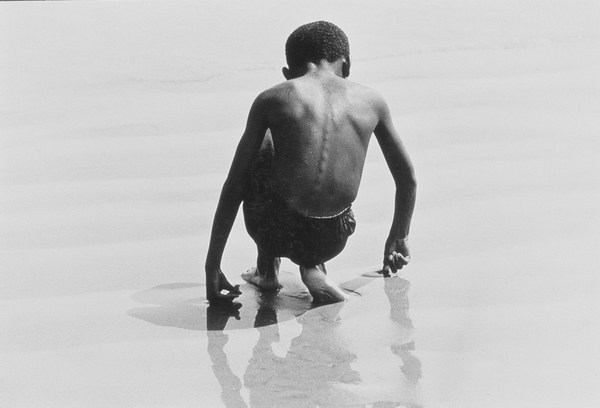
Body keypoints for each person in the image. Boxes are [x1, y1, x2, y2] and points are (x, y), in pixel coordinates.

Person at [205, 21, 416, 304]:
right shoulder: (372, 101)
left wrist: (213, 264)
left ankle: (267, 270)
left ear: (287, 74)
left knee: (265, 141)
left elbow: (235, 185)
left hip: (275, 232)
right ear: (347, 65)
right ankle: (313, 266)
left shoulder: (273, 98)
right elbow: (407, 178)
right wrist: (398, 237)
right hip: (333, 238)